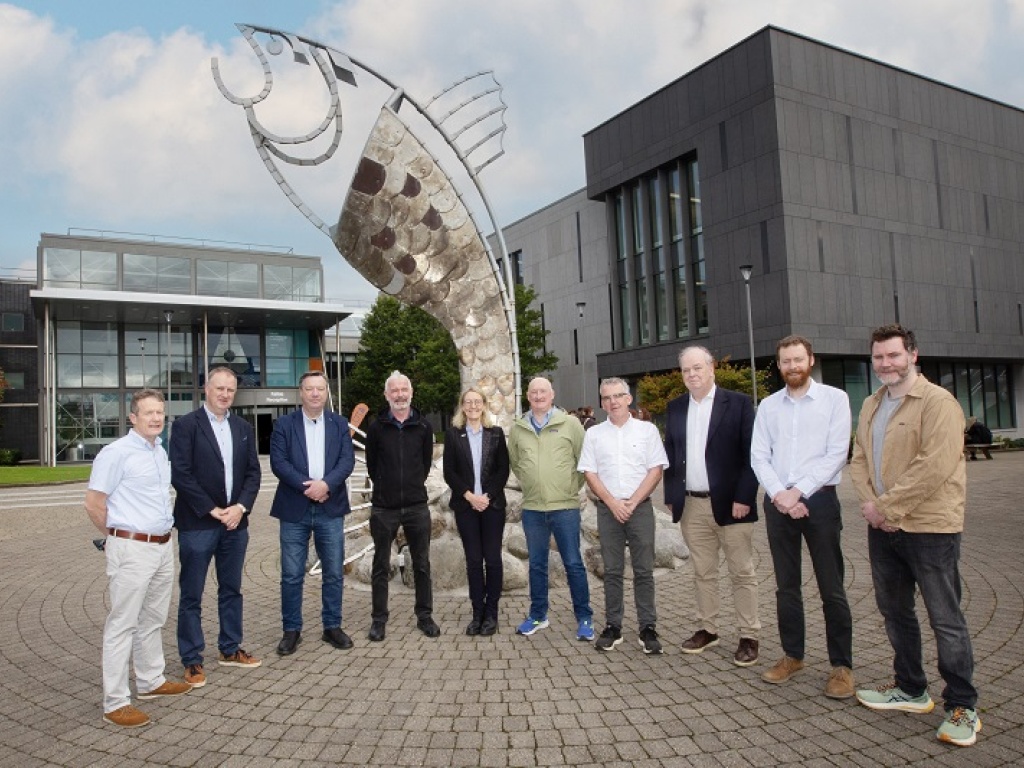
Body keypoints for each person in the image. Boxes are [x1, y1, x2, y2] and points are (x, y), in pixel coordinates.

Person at [849, 324, 980, 747]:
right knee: (895, 611)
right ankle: (910, 688)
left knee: (946, 617)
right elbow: (860, 459)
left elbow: (934, 465)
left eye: (893, 355)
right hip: (882, 528)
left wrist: (885, 507)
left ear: (913, 355)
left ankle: (962, 705)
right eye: (879, 357)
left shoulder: (939, 403)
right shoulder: (871, 403)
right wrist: (873, 507)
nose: (886, 363)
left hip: (929, 527)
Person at [750, 336, 855, 698]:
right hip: (779, 505)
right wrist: (781, 494)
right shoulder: (768, 405)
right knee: (786, 586)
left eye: (798, 359)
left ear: (810, 359)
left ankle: (841, 666)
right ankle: (792, 655)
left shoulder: (835, 400)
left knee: (832, 587)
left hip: (820, 502)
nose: (792, 366)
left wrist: (799, 491)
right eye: (785, 361)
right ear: (778, 365)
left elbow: (837, 454)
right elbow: (759, 456)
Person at [85, 389, 191, 728]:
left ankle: (151, 681)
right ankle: (115, 702)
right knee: (122, 625)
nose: (157, 418)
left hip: (161, 546)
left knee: (152, 619)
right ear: (133, 417)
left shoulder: (159, 451)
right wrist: (116, 538)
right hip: (132, 548)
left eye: (160, 412)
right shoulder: (115, 453)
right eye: (149, 413)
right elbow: (94, 502)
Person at [662, 346, 760, 665]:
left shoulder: (739, 404)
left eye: (697, 368)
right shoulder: (675, 407)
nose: (691, 374)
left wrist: (744, 497)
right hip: (692, 506)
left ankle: (749, 635)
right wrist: (671, 493)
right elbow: (671, 456)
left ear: (711, 367)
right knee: (703, 572)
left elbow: (752, 456)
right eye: (686, 370)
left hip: (733, 506)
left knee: (741, 571)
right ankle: (709, 629)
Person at [170, 366, 262, 688]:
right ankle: (192, 659)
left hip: (236, 523)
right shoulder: (185, 426)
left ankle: (230, 648)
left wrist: (240, 507)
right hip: (198, 523)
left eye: (230, 390)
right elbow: (180, 474)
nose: (225, 394)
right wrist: (212, 510)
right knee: (192, 594)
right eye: (219, 388)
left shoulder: (242, 427)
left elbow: (253, 473)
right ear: (206, 389)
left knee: (232, 589)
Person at [269, 370, 356, 655]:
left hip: (330, 507)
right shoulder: (284, 424)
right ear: (301, 392)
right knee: (292, 574)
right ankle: (291, 631)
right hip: (295, 507)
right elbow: (279, 463)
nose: (315, 393)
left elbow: (347, 461)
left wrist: (326, 485)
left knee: (333, 572)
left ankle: (332, 627)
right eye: (310, 389)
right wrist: (308, 487)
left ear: (326, 392)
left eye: (320, 388)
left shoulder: (339, 423)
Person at [578, 378, 668, 653]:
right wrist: (613, 503)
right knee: (613, 571)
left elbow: (656, 470)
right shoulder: (594, 434)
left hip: (639, 508)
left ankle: (647, 627)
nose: (612, 401)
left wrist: (632, 502)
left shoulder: (647, 431)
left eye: (618, 396)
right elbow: (589, 472)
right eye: (607, 397)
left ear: (629, 399)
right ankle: (613, 625)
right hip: (608, 509)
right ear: (602, 402)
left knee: (643, 570)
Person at [508, 376, 595, 641]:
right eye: (533, 392)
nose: (538, 396)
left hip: (565, 507)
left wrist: (567, 488)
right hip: (533, 509)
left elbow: (583, 461)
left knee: (573, 563)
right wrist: (535, 485)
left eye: (542, 391)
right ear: (527, 396)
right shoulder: (518, 428)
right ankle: (538, 615)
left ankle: (584, 617)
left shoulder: (570, 424)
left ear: (552, 394)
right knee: (536, 564)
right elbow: (516, 464)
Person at [364, 371, 439, 641]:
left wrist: (411, 486)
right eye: (394, 391)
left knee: (421, 563)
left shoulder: (423, 426)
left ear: (411, 392)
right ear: (386, 395)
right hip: (384, 507)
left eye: (404, 389)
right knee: (381, 564)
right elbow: (372, 465)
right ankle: (379, 619)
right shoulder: (376, 426)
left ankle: (425, 616)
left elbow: (425, 463)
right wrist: (385, 485)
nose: (399, 395)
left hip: (417, 505)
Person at [442, 387, 511, 636]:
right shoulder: (453, 435)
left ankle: (491, 614)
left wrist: (487, 496)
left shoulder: (495, 434)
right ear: (462, 406)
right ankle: (477, 613)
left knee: (492, 560)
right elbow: (449, 472)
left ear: (484, 405)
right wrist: (470, 496)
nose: (472, 406)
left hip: (492, 506)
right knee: (473, 561)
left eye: (477, 402)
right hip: (466, 506)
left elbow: (503, 469)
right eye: (467, 402)